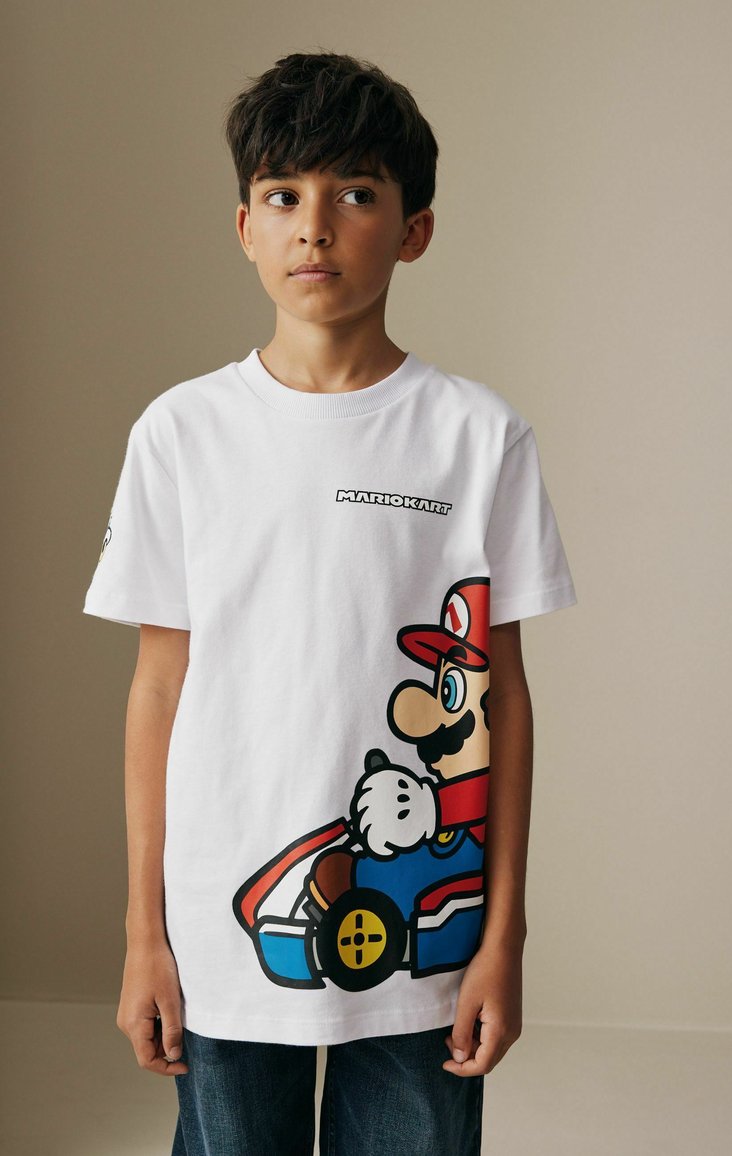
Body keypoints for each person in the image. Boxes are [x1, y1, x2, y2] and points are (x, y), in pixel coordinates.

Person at [82, 50, 577, 1156]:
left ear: (413, 229)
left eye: (355, 193)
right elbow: (159, 687)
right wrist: (143, 933)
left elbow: (500, 696)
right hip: (221, 925)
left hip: (427, 943)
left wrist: (503, 934)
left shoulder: (478, 437)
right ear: (244, 226)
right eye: (282, 195)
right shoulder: (181, 433)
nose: (314, 227)